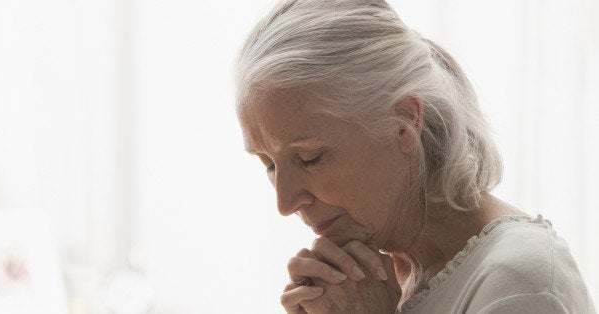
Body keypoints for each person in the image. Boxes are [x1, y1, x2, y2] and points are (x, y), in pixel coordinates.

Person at [235, 0, 596, 313]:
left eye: (310, 158)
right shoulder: (370, 283)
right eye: (268, 164)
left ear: (404, 123)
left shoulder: (520, 285)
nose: (285, 203)